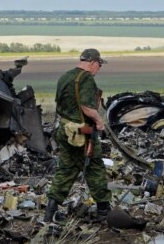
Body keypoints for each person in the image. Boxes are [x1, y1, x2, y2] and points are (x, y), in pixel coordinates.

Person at [44, 48, 111, 223]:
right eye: (99, 64)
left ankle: (49, 212)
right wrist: (99, 122)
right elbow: (87, 107)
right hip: (82, 133)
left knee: (66, 170)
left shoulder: (65, 76)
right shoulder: (86, 78)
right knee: (95, 169)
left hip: (64, 130)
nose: (99, 68)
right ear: (92, 62)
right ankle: (104, 212)